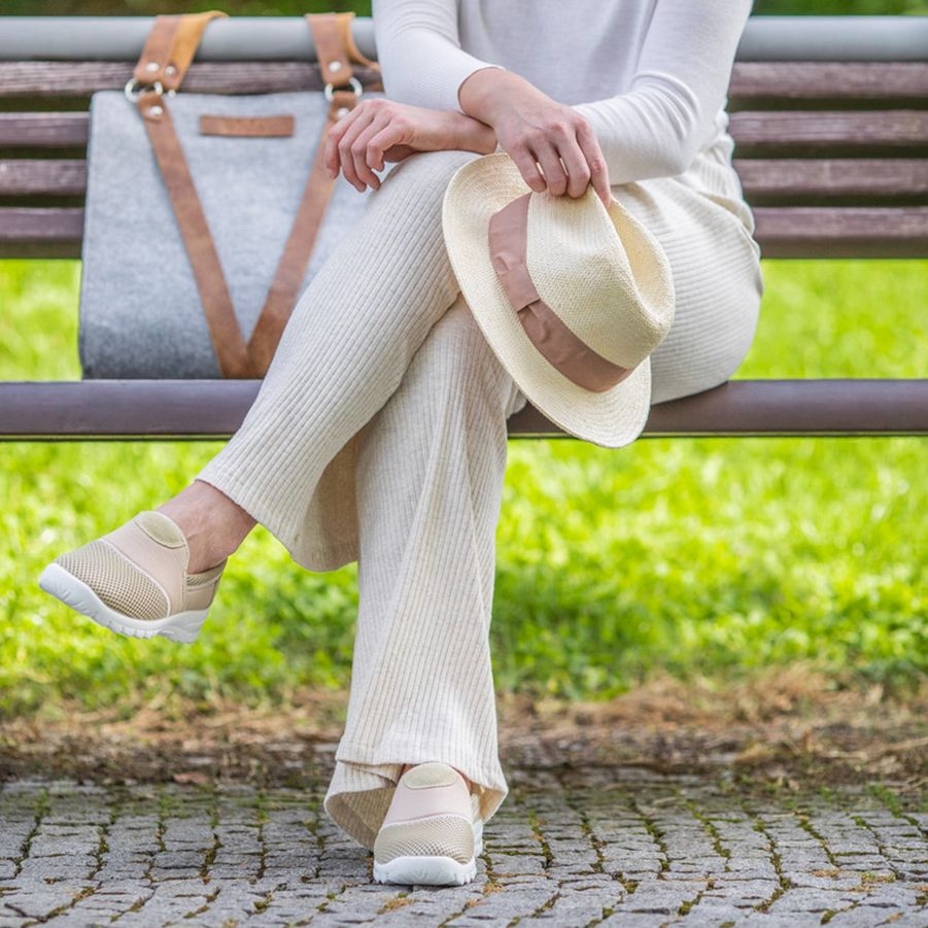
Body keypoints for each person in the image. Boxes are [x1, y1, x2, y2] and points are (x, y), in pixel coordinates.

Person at [40, 0, 762, 887]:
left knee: (443, 178)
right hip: (479, 221)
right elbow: (412, 50)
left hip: (660, 242)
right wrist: (497, 103)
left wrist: (466, 129)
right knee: (453, 333)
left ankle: (210, 522)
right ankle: (433, 769)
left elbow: (668, 123)